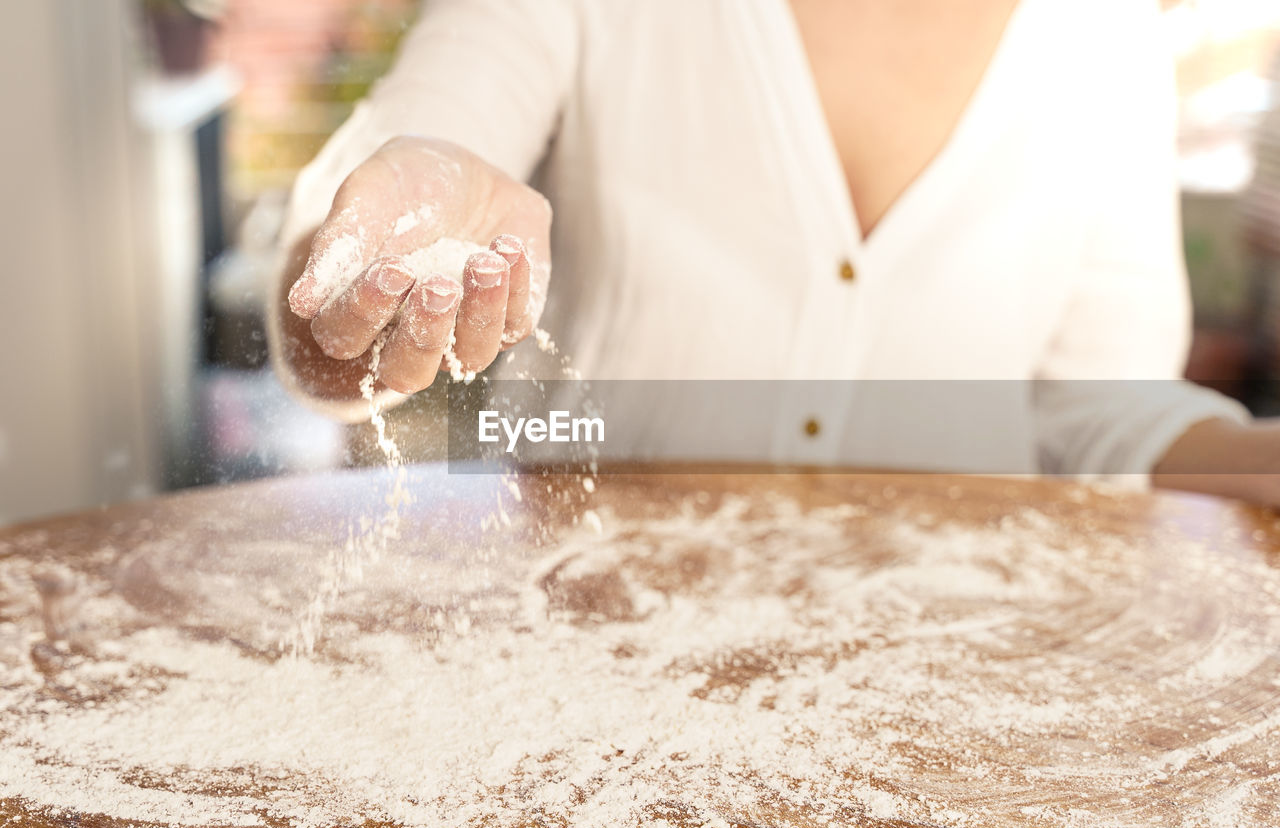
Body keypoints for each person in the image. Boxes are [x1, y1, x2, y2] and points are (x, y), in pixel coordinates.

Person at [269, 0, 1280, 503]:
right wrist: (370, 257)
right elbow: (399, 183)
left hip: (961, 709)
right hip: (585, 685)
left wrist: (1252, 460)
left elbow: (1094, 408)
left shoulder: (1104, 33)